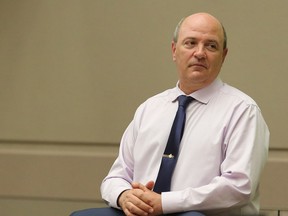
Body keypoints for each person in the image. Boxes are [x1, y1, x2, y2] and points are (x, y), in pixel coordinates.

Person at [100, 12, 269, 216]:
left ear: (223, 56)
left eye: (211, 46)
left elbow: (239, 187)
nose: (200, 53)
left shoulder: (242, 110)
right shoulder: (149, 108)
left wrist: (166, 202)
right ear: (174, 50)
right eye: (190, 43)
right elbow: (115, 177)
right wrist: (124, 195)